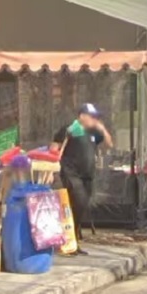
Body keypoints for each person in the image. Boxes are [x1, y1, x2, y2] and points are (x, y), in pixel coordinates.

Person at [50, 103, 112, 256]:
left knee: (81, 207)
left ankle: (73, 241)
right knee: (78, 201)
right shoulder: (70, 129)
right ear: (82, 116)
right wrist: (55, 154)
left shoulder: (93, 133)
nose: (94, 119)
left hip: (87, 176)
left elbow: (109, 144)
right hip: (71, 173)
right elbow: (54, 147)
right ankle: (68, 240)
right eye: (92, 117)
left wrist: (101, 128)